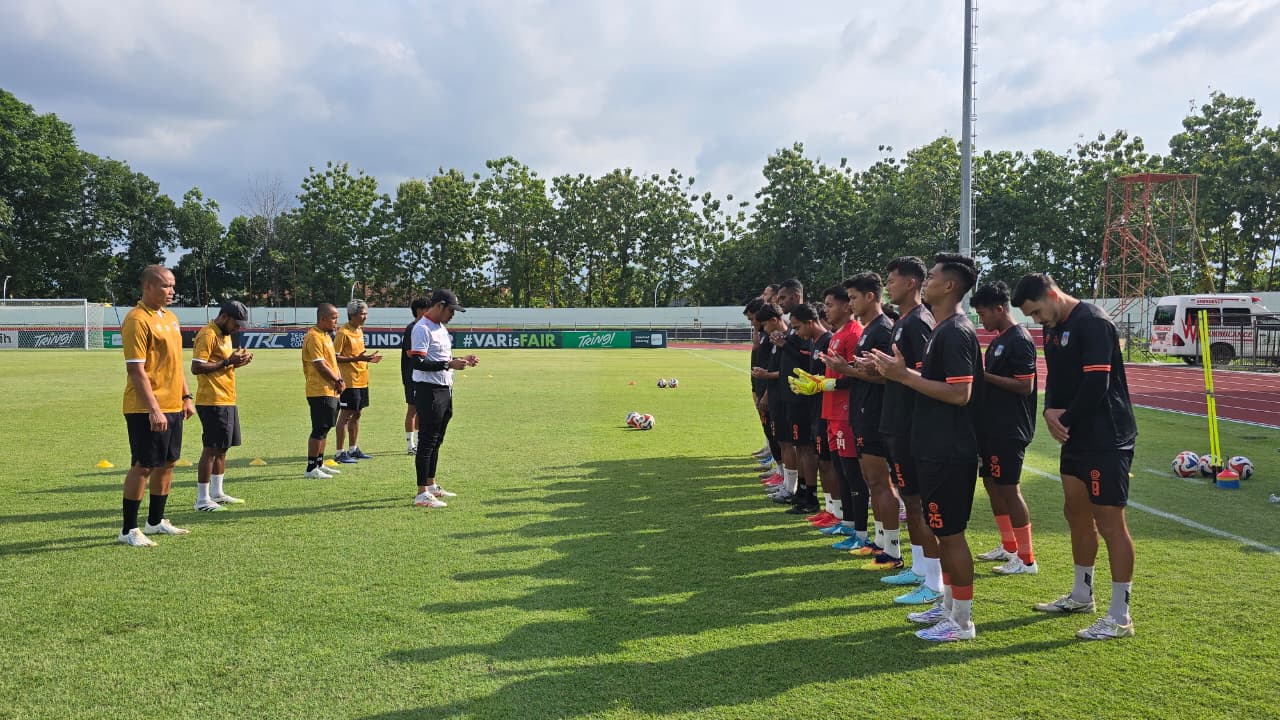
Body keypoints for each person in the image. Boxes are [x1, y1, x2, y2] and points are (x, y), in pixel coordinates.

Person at [1014, 273, 1138, 641]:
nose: (1036, 320)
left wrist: (1061, 419)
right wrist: (1050, 409)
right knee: (1076, 513)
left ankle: (1120, 616)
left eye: (1036, 311)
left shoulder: (1094, 322)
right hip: (1077, 436)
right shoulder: (1053, 328)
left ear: (1052, 294)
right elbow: (1055, 376)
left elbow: (1096, 385)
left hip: (1107, 437)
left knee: (1111, 522)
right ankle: (1082, 595)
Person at [872, 253, 983, 641]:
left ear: (949, 285)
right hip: (933, 446)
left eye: (932, 276)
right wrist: (898, 372)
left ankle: (963, 622)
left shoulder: (955, 332)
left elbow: (960, 393)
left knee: (951, 534)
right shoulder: (942, 328)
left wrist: (903, 376)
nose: (927, 282)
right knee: (941, 530)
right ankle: (950, 607)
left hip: (950, 450)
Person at [821, 272, 897, 559]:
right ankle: (877, 542)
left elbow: (888, 377)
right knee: (869, 480)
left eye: (853, 298)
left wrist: (846, 370)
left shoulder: (881, 329)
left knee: (877, 482)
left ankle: (889, 549)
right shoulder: (868, 329)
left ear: (869, 296)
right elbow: (867, 372)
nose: (850, 304)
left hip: (876, 416)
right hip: (861, 413)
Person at [118, 265, 194, 547]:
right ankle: (128, 530)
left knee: (168, 462)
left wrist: (186, 397)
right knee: (143, 465)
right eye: (165, 286)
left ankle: (155, 521)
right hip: (145, 407)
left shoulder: (171, 317)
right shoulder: (137, 320)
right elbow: (136, 371)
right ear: (147, 287)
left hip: (173, 404)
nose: (171, 291)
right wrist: (154, 409)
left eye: (172, 286)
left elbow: (175, 363)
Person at [971, 281, 1040, 575]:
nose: (981, 320)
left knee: (1010, 490)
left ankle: (1026, 559)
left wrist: (983, 377)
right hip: (993, 426)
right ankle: (1008, 546)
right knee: (992, 485)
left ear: (1000, 309)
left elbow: (1026, 386)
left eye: (984, 314)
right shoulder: (999, 339)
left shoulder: (1019, 339)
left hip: (1010, 428)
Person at [409, 289, 478, 508]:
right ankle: (421, 493)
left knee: (437, 440)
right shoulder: (421, 328)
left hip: (444, 388)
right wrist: (449, 364)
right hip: (428, 390)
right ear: (439, 305)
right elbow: (418, 363)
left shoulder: (440, 328)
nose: (453, 314)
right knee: (427, 442)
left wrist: (459, 359)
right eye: (451, 310)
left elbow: (441, 358)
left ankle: (431, 485)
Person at [190, 300, 254, 511]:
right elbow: (197, 367)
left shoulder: (224, 335)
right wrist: (227, 362)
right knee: (211, 448)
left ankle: (217, 493)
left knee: (223, 448)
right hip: (212, 399)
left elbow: (223, 364)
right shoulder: (208, 334)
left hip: (226, 397)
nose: (238, 328)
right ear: (225, 316)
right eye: (236, 324)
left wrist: (238, 361)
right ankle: (202, 499)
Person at [333, 299, 383, 464]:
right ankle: (340, 452)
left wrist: (368, 359)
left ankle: (353, 449)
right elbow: (335, 357)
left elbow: (359, 355)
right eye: (363, 314)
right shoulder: (343, 332)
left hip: (362, 379)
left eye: (366, 313)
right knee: (345, 416)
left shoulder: (359, 331)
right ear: (353, 315)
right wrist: (358, 358)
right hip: (349, 381)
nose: (365, 317)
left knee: (358, 414)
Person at [302, 304, 345, 479]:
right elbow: (320, 365)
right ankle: (311, 468)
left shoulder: (326, 336)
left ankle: (319, 464)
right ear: (323, 318)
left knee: (326, 428)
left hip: (331, 390)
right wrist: (337, 380)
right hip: (319, 390)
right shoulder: (313, 337)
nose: (337, 321)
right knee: (319, 429)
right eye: (334, 318)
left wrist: (339, 379)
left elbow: (331, 362)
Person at [401, 296, 431, 455]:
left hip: (421, 375)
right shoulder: (412, 328)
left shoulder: (423, 327)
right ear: (420, 310)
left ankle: (419, 443)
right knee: (412, 409)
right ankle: (409, 445)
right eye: (428, 308)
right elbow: (409, 352)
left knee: (421, 410)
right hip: (412, 375)